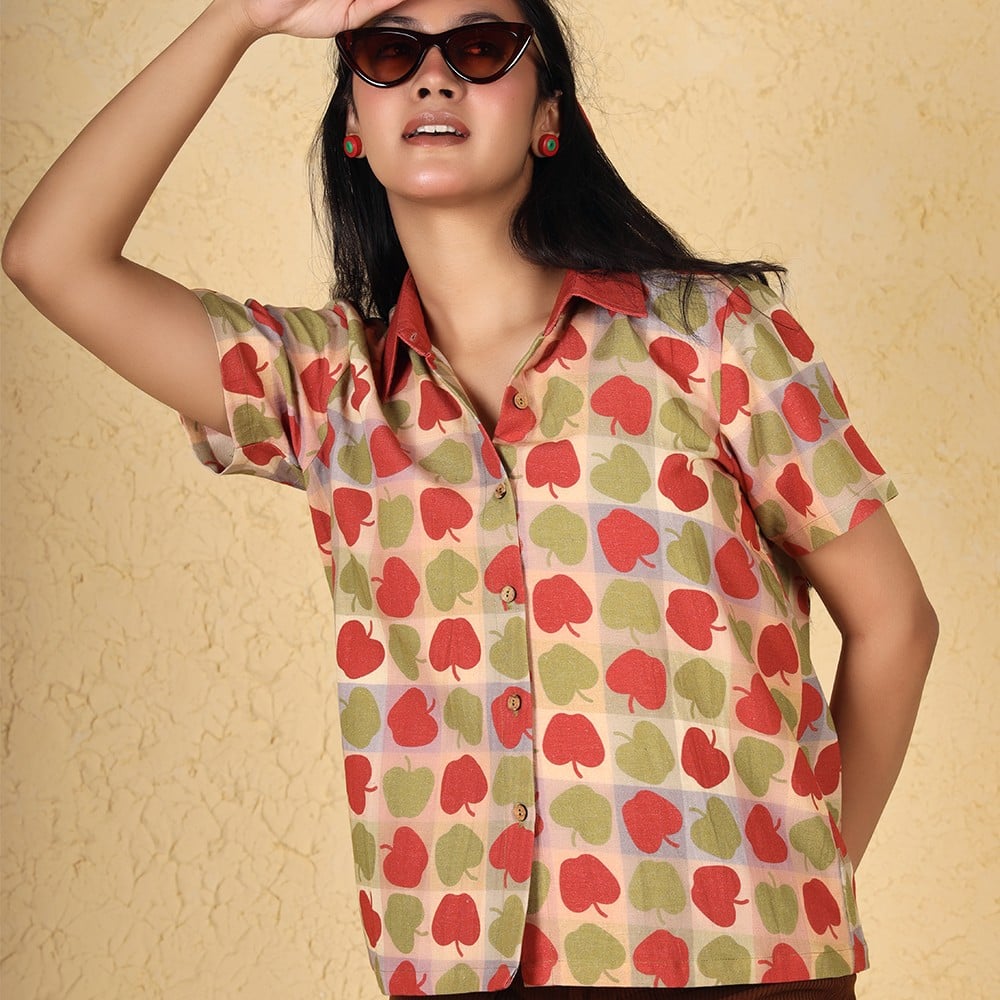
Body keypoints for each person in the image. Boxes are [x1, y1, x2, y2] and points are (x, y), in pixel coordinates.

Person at [2, 0, 938, 997]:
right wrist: (238, 18)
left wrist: (804, 882)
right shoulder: (333, 390)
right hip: (465, 973)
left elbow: (895, 622)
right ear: (354, 125)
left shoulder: (713, 339)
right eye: (390, 50)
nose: (434, 75)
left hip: (745, 965)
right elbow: (50, 259)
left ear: (548, 118)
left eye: (482, 48)